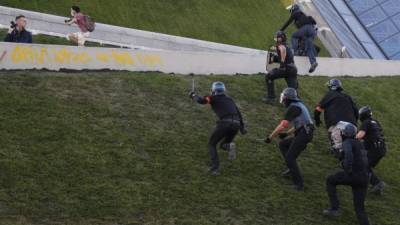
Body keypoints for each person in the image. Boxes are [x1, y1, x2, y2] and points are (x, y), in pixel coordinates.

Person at [189, 82, 247, 175]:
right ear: (224, 90)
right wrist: (242, 128)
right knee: (223, 144)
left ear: (213, 90)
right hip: (236, 124)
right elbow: (239, 114)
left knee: (212, 144)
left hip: (225, 123)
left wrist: (193, 95)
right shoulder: (230, 100)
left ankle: (215, 168)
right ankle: (228, 146)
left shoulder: (212, 97)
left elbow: (202, 101)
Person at [265, 88, 314, 190]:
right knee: (283, 144)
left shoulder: (293, 108)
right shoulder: (299, 105)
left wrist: (270, 137)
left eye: (284, 97)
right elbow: (301, 123)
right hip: (306, 132)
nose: (283, 100)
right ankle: (291, 169)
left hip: (304, 134)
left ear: (287, 98)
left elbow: (283, 125)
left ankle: (299, 184)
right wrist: (287, 134)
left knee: (290, 158)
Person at [323, 122, 370, 225]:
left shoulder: (347, 142)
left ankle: (334, 209)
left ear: (344, 134)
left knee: (330, 180)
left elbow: (349, 156)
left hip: (353, 175)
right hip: (364, 178)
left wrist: (346, 168)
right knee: (360, 209)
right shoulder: (361, 144)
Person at [314, 79, 358, 155]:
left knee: (338, 149)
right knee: (352, 148)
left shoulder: (330, 95)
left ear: (330, 87)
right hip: (352, 125)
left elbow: (318, 110)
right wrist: (354, 122)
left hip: (337, 125)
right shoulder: (347, 96)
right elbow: (356, 111)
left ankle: (341, 160)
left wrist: (317, 120)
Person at [356, 106, 386, 194]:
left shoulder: (366, 122)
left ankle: (377, 183)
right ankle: (376, 189)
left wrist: (350, 137)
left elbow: (360, 136)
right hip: (382, 149)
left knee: (363, 166)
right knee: (366, 167)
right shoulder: (375, 122)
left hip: (375, 149)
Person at [280, 4, 318, 73]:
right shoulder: (304, 16)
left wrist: (281, 30)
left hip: (306, 28)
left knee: (294, 36)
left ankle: (294, 52)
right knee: (308, 48)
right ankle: (313, 62)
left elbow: (288, 22)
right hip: (313, 31)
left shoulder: (296, 13)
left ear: (293, 9)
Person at [264, 31, 298, 104]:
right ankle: (296, 102)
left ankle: (271, 98)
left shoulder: (281, 46)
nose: (276, 38)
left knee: (269, 77)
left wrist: (281, 65)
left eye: (277, 37)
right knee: (293, 89)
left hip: (285, 68)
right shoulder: (288, 46)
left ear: (281, 38)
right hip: (293, 69)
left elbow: (283, 51)